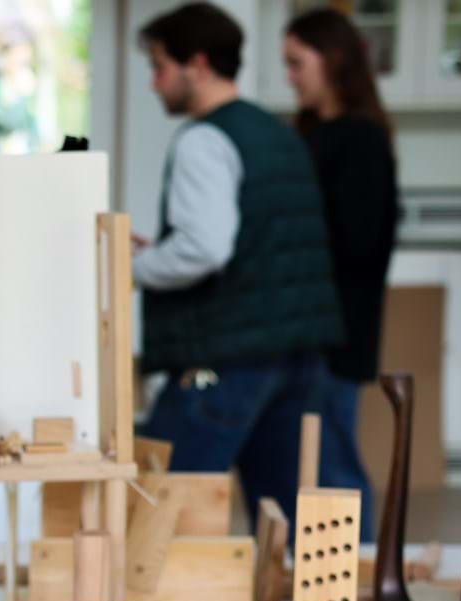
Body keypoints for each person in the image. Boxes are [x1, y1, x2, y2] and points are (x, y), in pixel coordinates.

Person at [133, 2, 344, 528]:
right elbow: (259, 241)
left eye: (160, 67)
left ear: (196, 64)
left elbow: (205, 249)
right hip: (294, 357)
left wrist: (129, 268)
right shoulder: (276, 132)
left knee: (157, 514)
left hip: (225, 360)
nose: (155, 85)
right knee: (285, 520)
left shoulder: (204, 139)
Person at [285, 7, 400, 540]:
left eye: (296, 62)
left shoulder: (360, 139)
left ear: (331, 61)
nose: (291, 76)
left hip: (336, 335)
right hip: (308, 331)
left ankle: (358, 580)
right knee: (310, 468)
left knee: (334, 470)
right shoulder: (312, 133)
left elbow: (357, 244)